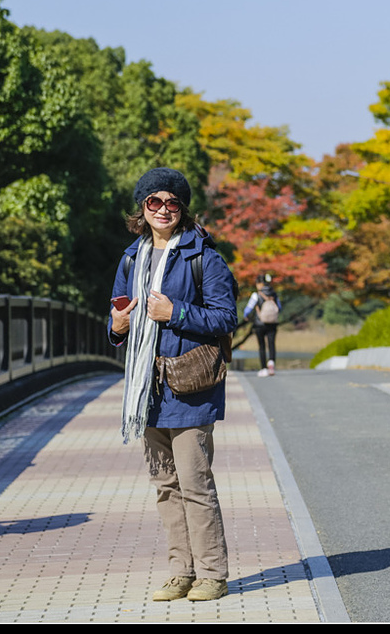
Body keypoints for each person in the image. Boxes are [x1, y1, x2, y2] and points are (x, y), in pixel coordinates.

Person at [108, 167, 238, 601]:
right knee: (166, 486)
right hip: (147, 388)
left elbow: (225, 318)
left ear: (182, 209)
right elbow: (117, 322)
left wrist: (176, 313)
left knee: (195, 483)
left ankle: (212, 574)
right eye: (154, 202)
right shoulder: (131, 257)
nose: (163, 210)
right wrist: (118, 327)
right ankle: (180, 571)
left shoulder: (205, 256)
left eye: (172, 203)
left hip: (189, 385)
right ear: (141, 208)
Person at [242, 274, 281, 377]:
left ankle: (264, 368)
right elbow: (279, 308)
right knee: (272, 344)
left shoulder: (256, 295)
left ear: (260, 283)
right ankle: (271, 362)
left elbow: (248, 309)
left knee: (262, 346)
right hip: (272, 323)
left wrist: (245, 316)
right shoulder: (274, 294)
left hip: (260, 323)